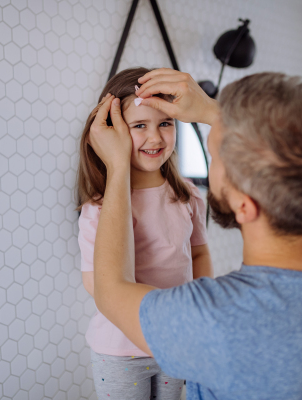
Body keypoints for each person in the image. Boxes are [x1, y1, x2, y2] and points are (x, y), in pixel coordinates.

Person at [86, 69, 302, 400]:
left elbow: (110, 290)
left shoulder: (215, 319)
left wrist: (118, 166)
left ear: (245, 205)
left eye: (216, 155)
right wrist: (212, 111)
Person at [77, 67, 213, 399]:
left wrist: (200, 304)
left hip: (175, 343)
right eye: (140, 126)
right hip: (121, 350)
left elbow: (198, 253)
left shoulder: (189, 196)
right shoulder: (100, 208)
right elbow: (97, 283)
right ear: (114, 131)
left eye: (165, 123)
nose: (155, 138)